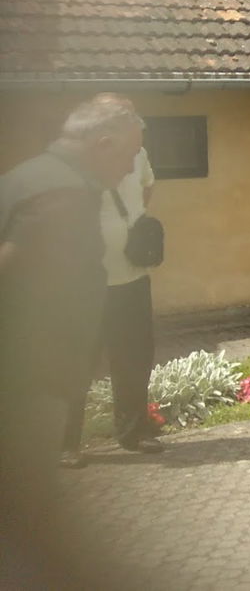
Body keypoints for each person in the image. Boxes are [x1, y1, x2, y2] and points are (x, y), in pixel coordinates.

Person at [0, 93, 143, 581]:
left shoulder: (29, 174)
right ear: (102, 145)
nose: (128, 170)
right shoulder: (62, 195)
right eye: (126, 157)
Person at [63, 144, 163, 458]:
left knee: (134, 358)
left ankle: (133, 432)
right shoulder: (74, 156)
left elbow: (147, 186)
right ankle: (65, 444)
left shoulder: (139, 153)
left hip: (133, 276)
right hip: (85, 283)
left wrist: (128, 223)